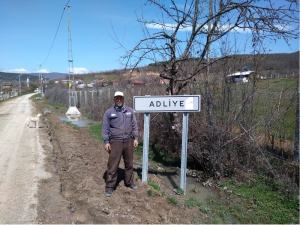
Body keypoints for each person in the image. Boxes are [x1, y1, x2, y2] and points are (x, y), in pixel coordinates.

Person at [102, 91, 139, 197]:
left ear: (123, 99)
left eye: (121, 98)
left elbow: (134, 125)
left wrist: (135, 138)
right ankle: (109, 187)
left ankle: (129, 182)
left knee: (129, 164)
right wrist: (106, 141)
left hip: (128, 141)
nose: (119, 100)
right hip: (115, 142)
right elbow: (105, 128)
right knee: (113, 165)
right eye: (117, 98)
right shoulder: (109, 112)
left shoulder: (130, 111)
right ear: (114, 99)